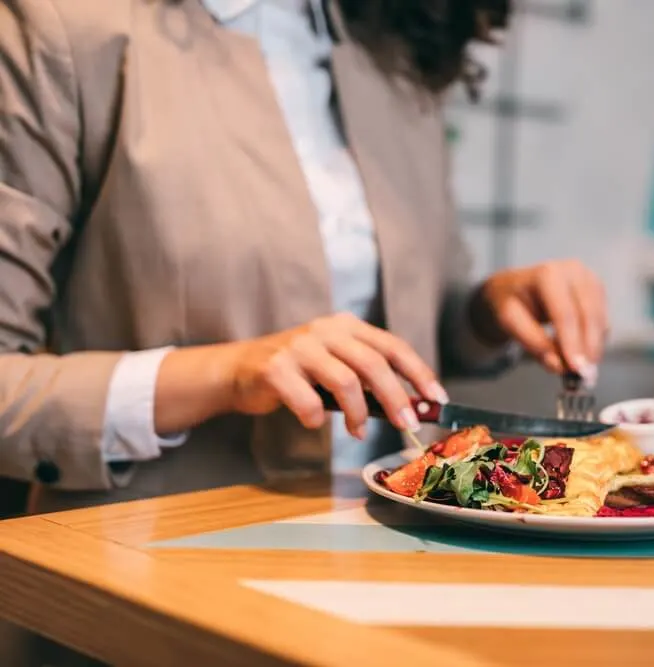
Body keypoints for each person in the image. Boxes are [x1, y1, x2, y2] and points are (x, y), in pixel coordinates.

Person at [0, 0, 609, 516]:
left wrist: (488, 310)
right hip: (159, 567)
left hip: (405, 552)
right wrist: (232, 373)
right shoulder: (57, 29)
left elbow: (413, 340)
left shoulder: (394, 40)